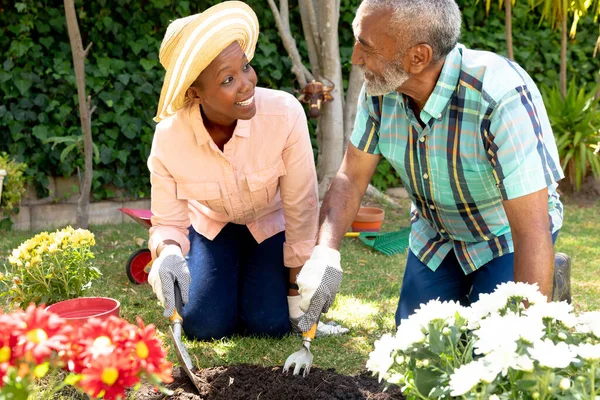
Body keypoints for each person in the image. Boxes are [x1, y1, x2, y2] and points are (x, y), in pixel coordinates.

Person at [295, 0, 571, 331]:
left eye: (366, 47)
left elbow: (531, 230)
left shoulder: (500, 96)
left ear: (418, 57)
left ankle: (547, 278)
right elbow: (351, 177)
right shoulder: (380, 91)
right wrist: (325, 254)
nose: (355, 57)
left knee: (491, 353)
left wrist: (525, 337)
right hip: (436, 237)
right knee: (416, 355)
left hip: (503, 236)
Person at [146, 1, 347, 340]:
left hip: (269, 225)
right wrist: (167, 254)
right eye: (228, 79)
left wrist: (299, 302)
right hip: (212, 227)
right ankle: (228, 287)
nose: (246, 83)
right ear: (195, 92)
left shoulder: (284, 114)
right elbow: (167, 222)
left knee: (269, 325)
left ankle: (252, 293)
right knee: (203, 325)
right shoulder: (169, 138)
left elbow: (301, 207)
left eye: (246, 67)